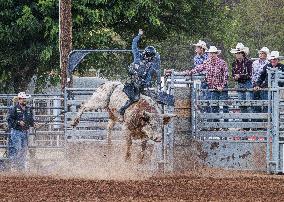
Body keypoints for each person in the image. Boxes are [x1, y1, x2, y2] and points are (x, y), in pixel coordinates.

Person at [118, 29, 161, 120]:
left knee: (153, 97)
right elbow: (134, 45)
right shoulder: (138, 56)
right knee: (136, 98)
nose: (150, 59)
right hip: (134, 80)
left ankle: (152, 115)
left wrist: (149, 83)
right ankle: (122, 109)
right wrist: (138, 35)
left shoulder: (152, 63)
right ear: (146, 54)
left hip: (144, 82)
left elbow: (150, 74)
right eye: (149, 57)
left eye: (151, 57)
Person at [7, 92, 35, 171]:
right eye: (23, 99)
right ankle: (16, 166)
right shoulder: (14, 108)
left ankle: (20, 168)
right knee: (18, 149)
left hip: (25, 132)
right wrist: (18, 122)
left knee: (24, 150)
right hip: (16, 132)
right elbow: (9, 120)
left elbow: (30, 120)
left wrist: (34, 124)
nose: (24, 100)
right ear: (19, 99)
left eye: (25, 99)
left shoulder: (28, 109)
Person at [231, 43, 253, 129]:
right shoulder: (234, 64)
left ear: (243, 53)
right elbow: (233, 74)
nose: (237, 54)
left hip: (248, 83)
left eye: (239, 53)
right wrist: (235, 77)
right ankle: (245, 125)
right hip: (239, 84)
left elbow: (250, 74)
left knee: (249, 103)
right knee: (241, 104)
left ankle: (251, 123)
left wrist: (239, 76)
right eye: (237, 53)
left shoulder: (249, 62)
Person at [252, 47, 270, 115]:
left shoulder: (269, 63)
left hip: (264, 86)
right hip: (255, 86)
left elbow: (266, 77)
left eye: (262, 53)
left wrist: (261, 85)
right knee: (256, 104)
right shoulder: (254, 63)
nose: (261, 54)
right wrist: (254, 85)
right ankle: (257, 122)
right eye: (260, 53)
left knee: (266, 104)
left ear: (266, 55)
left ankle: (266, 121)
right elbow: (252, 74)